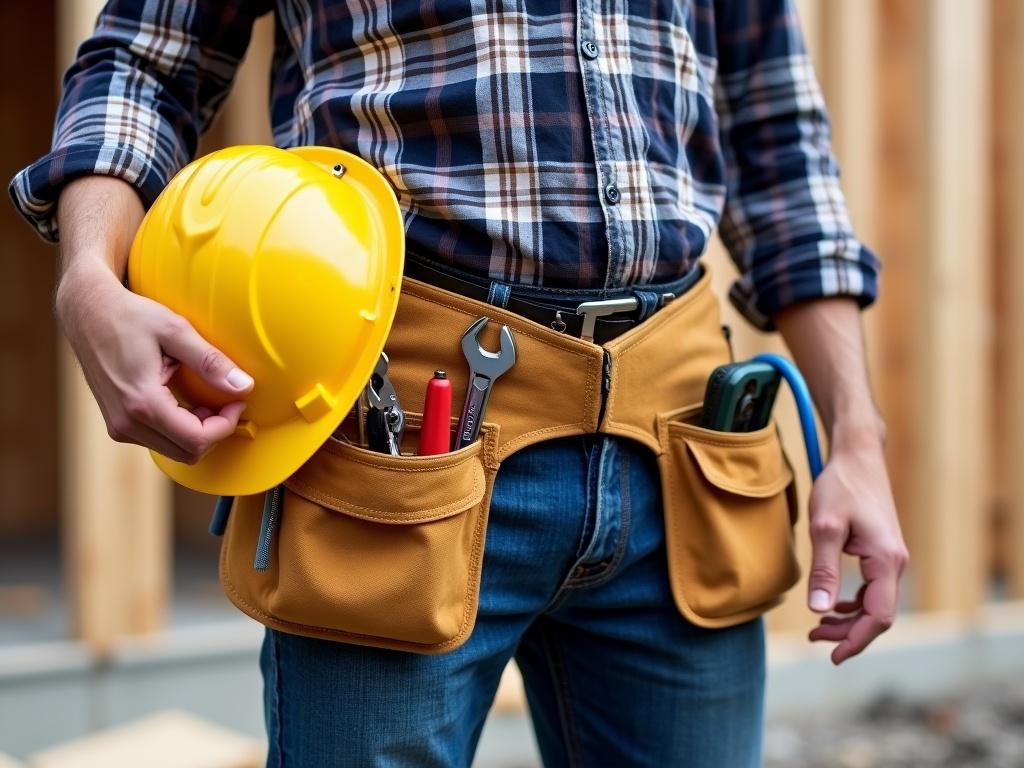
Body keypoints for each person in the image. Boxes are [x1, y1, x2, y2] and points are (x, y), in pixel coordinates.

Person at [10, 1, 909, 765]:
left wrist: (856, 437)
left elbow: (775, 133)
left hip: (681, 454)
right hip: (391, 449)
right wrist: (90, 274)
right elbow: (145, 58)